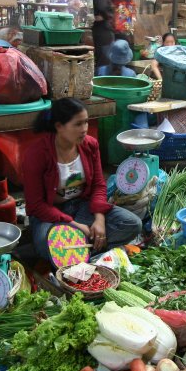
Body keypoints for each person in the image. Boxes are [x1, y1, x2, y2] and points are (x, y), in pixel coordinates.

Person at [18, 98, 142, 264]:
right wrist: (76, 225)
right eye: (78, 124)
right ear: (59, 127)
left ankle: (78, 251)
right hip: (51, 214)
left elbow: (98, 185)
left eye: (86, 122)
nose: (84, 129)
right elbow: (36, 205)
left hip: (83, 207)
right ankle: (88, 250)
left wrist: (99, 220)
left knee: (132, 224)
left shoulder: (90, 145)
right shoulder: (37, 154)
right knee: (43, 243)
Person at [92, 0, 116, 72]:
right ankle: (101, 81)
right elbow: (103, 8)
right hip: (103, 31)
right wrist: (110, 15)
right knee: (104, 58)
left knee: (105, 57)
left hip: (104, 29)